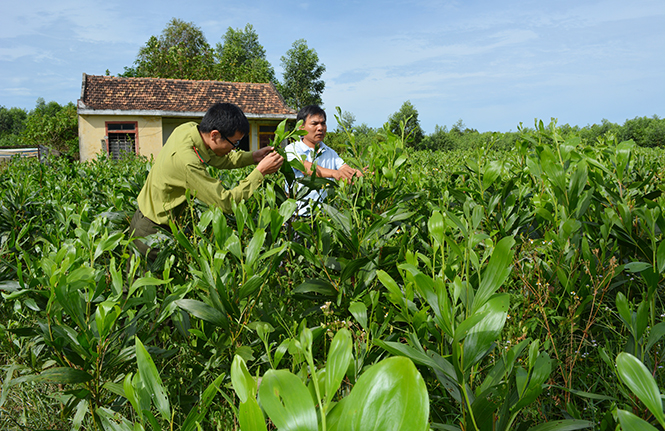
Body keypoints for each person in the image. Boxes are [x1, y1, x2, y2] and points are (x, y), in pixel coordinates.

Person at [130, 102, 283, 260]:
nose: (234, 148)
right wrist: (260, 172)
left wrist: (253, 157)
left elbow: (217, 158)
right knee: (144, 280)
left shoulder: (187, 129)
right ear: (215, 135)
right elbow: (226, 203)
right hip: (152, 229)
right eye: (234, 143)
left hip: (144, 215)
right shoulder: (187, 162)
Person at [283, 105, 362, 213]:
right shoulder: (291, 149)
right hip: (298, 216)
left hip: (325, 217)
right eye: (314, 124)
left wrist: (357, 174)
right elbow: (306, 168)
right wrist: (335, 174)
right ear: (300, 127)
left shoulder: (330, 152)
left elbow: (344, 168)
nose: (320, 128)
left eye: (323, 123)